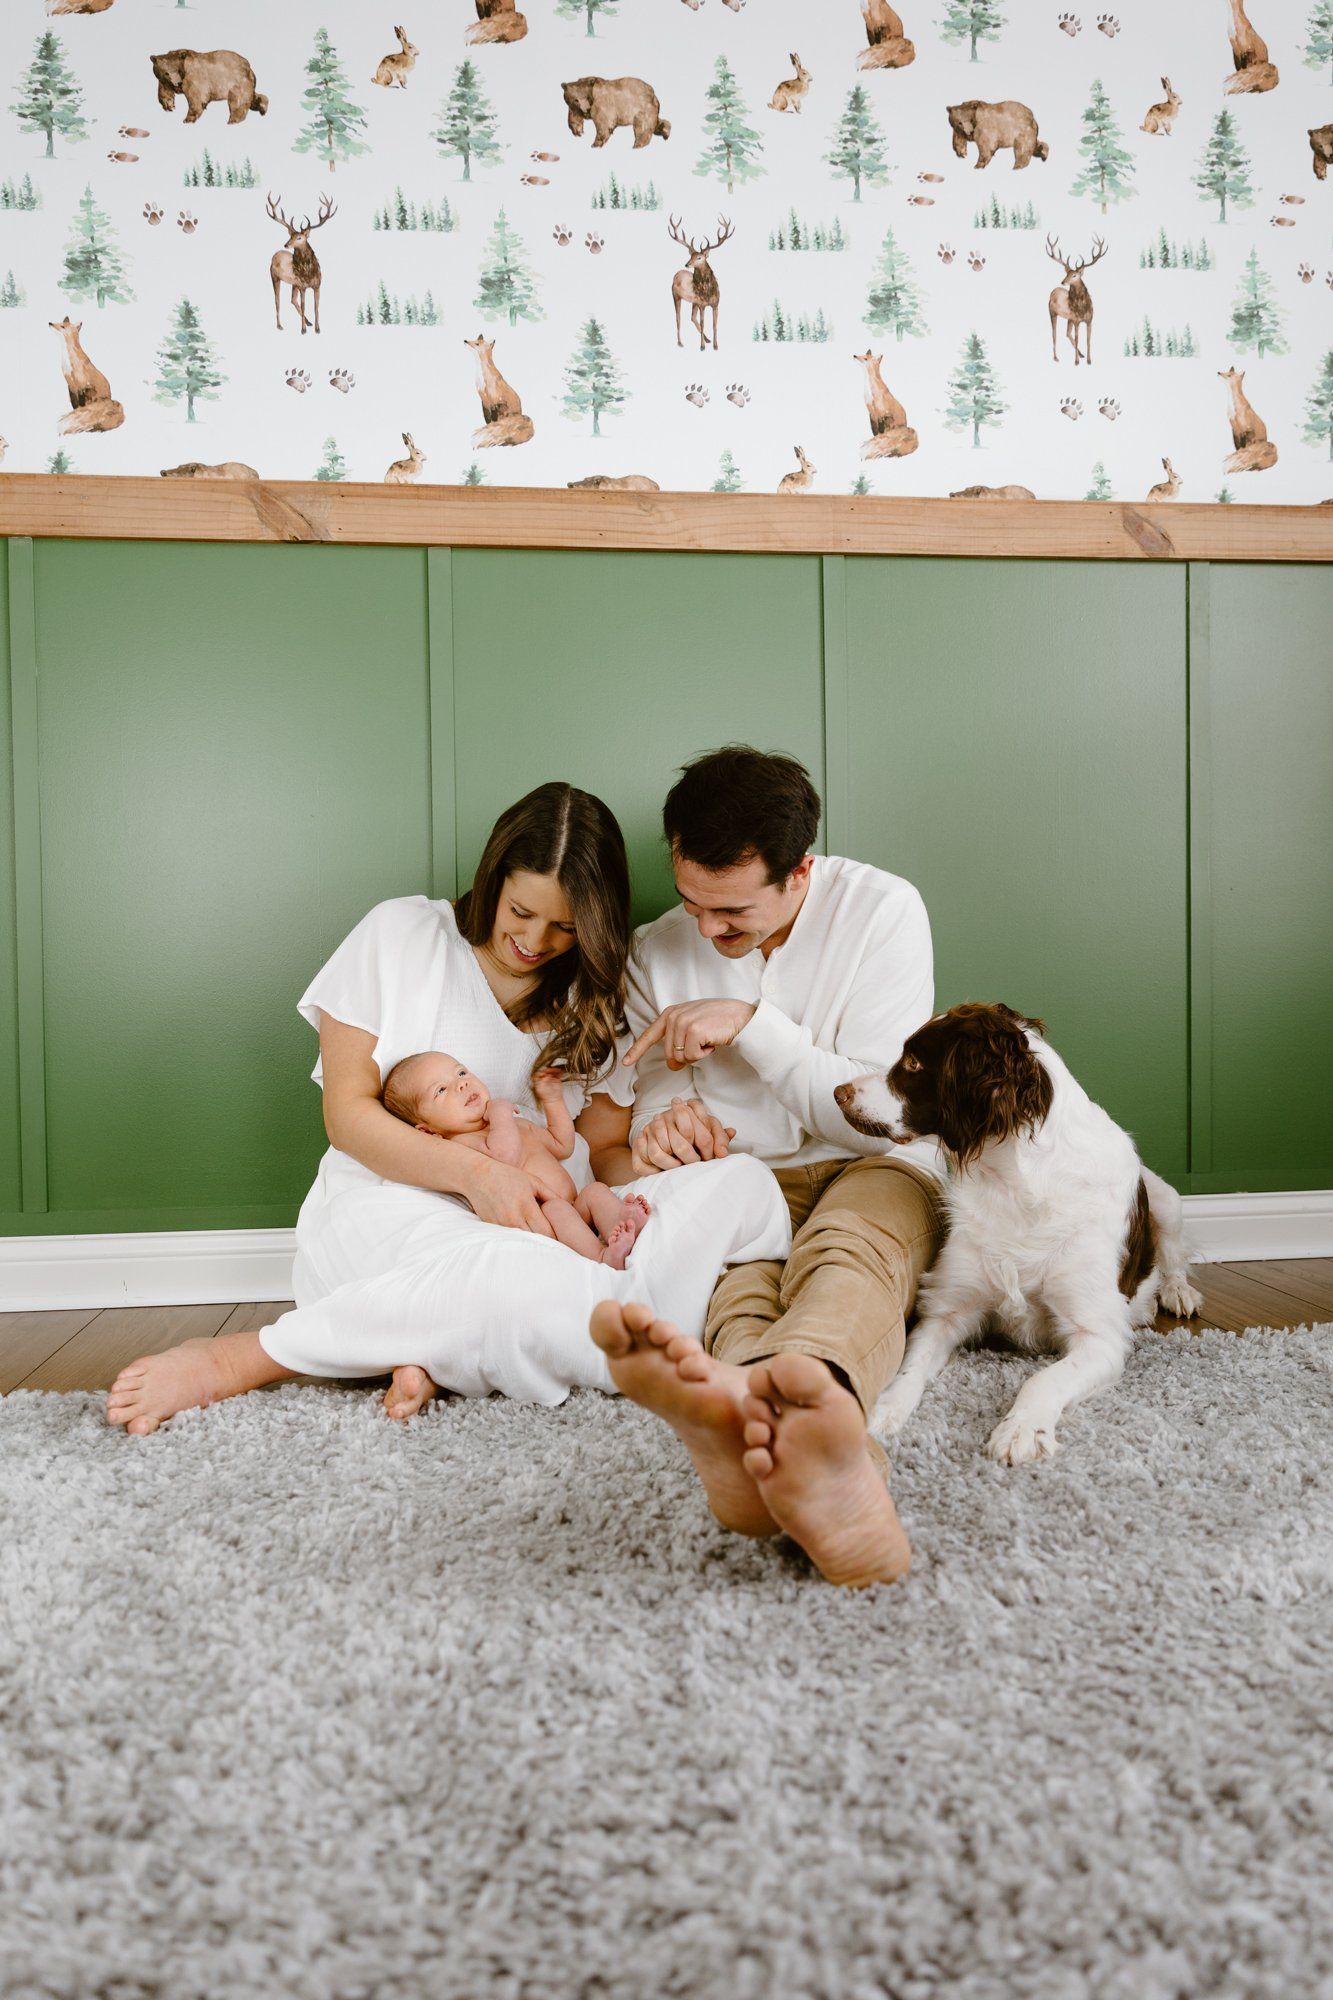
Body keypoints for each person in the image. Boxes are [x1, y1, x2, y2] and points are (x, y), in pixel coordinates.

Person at [106, 783, 790, 1434]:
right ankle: (246, 1358)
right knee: (508, 1280)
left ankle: (439, 1346)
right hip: (402, 1211)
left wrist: (660, 1168)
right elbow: (348, 1115)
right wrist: (478, 1178)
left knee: (746, 1189)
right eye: (519, 911)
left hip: (566, 1228)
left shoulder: (598, 991)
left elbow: (602, 1154)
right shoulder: (402, 936)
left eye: (563, 925)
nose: (535, 940)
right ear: (492, 879)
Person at [585, 745, 947, 1591]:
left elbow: (875, 1121)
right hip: (743, 1183)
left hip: (873, 1166)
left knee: (850, 1255)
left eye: (734, 914)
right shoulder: (656, 952)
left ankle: (805, 1405)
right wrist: (658, 1136)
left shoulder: (883, 912)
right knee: (737, 1286)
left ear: (799, 871)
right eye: (690, 902)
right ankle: (783, 1441)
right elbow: (635, 1120)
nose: (707, 931)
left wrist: (750, 1023)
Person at [380, 1049, 652, 1268]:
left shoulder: (517, 1123)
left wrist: (552, 1101)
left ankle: (620, 1222)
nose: (461, 1083)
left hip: (574, 1207)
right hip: (544, 1219)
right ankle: (602, 1257)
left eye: (461, 1072)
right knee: (558, 1210)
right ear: (428, 1130)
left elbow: (562, 1145)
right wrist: (500, 1114)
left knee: (595, 1190)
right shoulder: (461, 1144)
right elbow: (504, 1156)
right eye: (441, 1090)